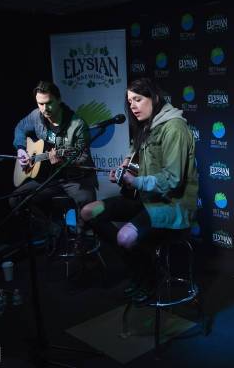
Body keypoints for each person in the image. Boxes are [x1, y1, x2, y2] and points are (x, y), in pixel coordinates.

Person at [81, 78, 198, 303]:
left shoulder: (174, 128)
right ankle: (139, 268)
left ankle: (149, 277)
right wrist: (122, 167)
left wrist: (136, 182)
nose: (132, 106)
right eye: (129, 101)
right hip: (146, 199)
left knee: (125, 237)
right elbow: (133, 153)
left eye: (138, 99)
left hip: (172, 205)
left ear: (153, 98)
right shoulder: (145, 124)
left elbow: (173, 180)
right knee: (89, 212)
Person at [10, 81, 97, 232]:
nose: (45, 109)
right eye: (40, 104)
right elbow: (20, 127)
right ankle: (53, 230)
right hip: (49, 177)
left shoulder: (78, 125)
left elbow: (83, 157)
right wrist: (21, 149)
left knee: (87, 202)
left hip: (75, 178)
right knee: (16, 199)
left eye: (49, 103)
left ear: (59, 99)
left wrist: (63, 160)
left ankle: (80, 240)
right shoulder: (36, 116)